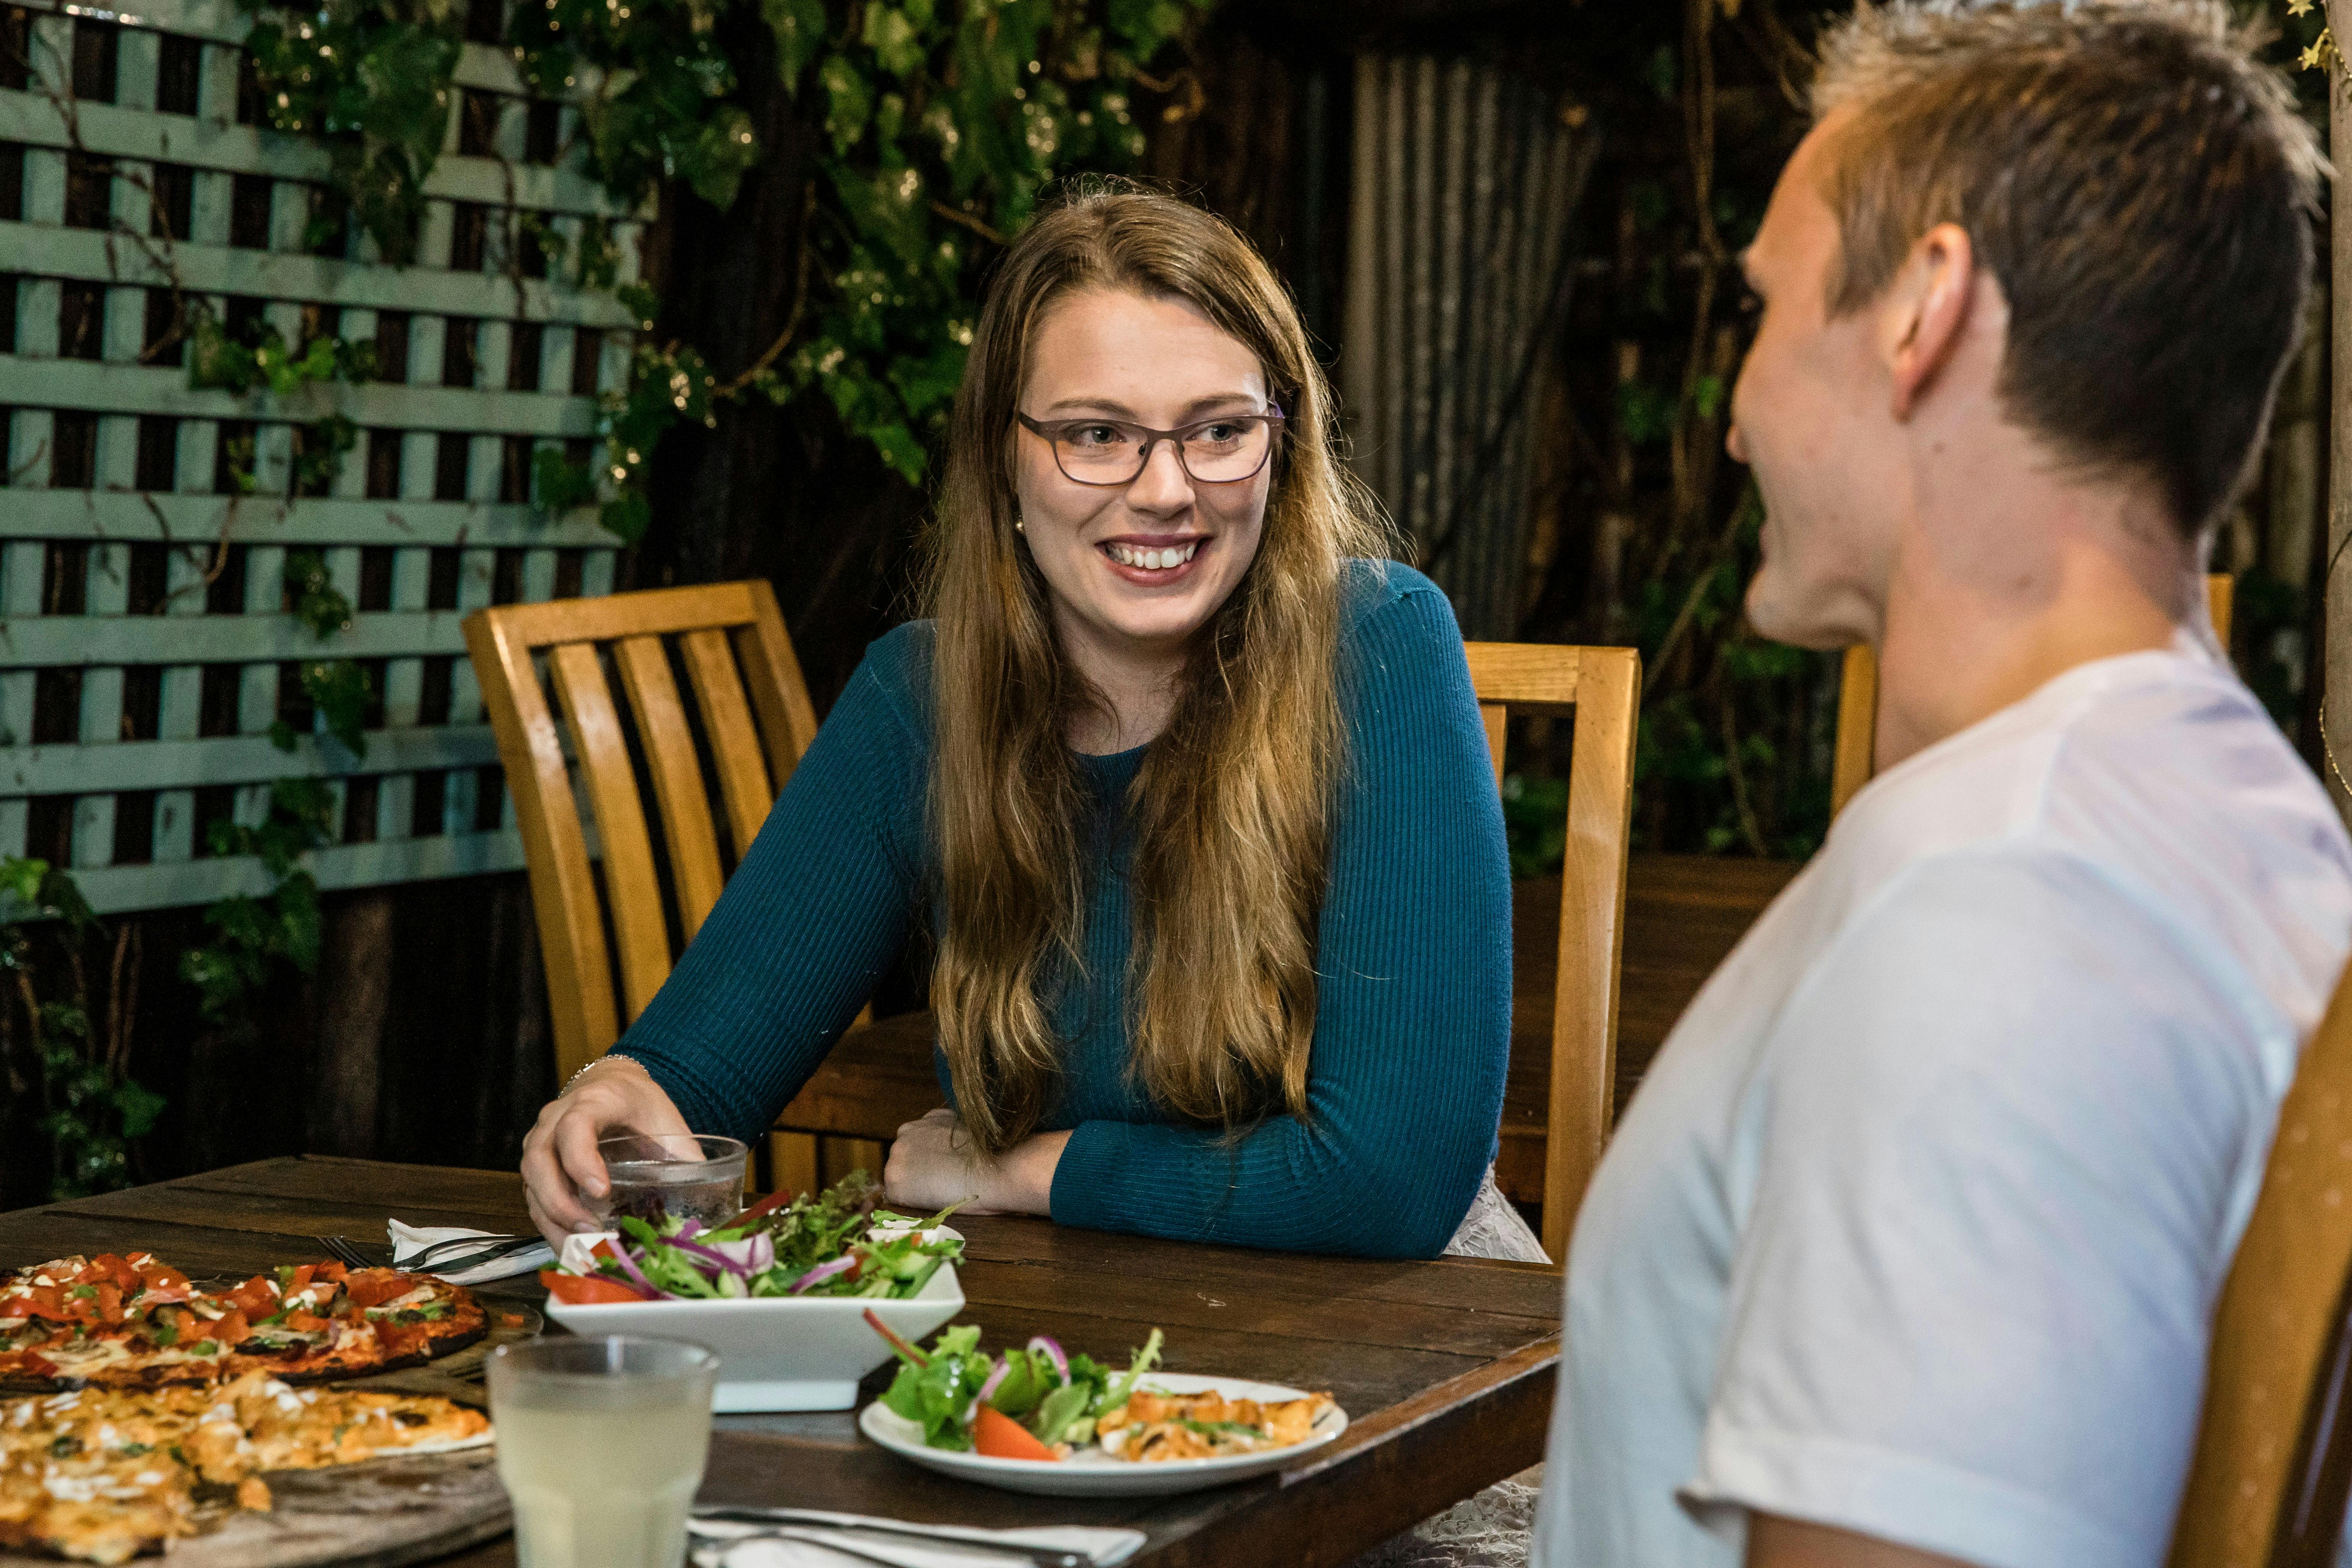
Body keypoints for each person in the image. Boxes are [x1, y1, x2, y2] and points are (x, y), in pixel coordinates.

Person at [1535, 5, 2352, 1567]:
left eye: (1762, 310)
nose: (1733, 407)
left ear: (1922, 309)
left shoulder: (2005, 913)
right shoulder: (2237, 820)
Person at [517, 184, 1537, 1264]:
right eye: (1096, 434)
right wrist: (615, 1091)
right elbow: (700, 1077)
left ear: (1281, 446)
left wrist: (1022, 1171)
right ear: (1002, 455)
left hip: (1404, 1348)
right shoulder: (920, 698)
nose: (1165, 489)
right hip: (1073, 1356)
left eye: (1219, 431)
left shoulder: (1379, 645)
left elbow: (1390, 1182)